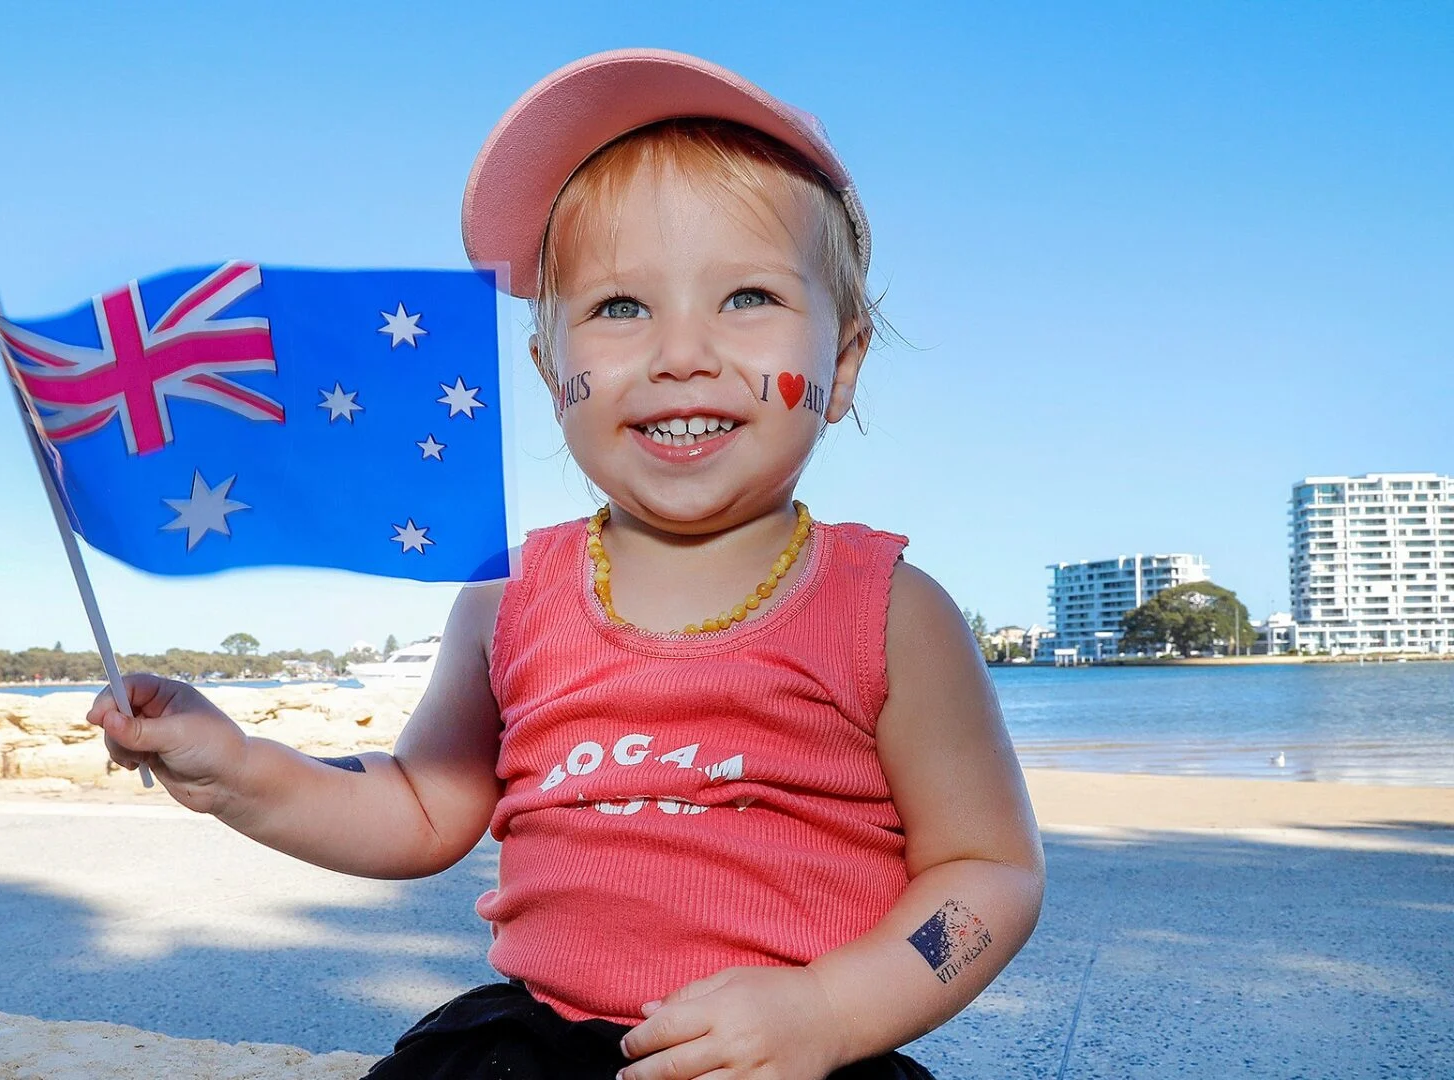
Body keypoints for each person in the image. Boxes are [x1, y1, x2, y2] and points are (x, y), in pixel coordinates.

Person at [88, 48, 1044, 1080]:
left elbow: (986, 876)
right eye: (621, 309)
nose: (682, 351)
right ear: (551, 372)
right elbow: (417, 803)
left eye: (749, 297)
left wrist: (833, 1010)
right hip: (533, 1046)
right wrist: (238, 770)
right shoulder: (510, 597)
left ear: (842, 361)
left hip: (793, 1053)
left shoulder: (888, 610)